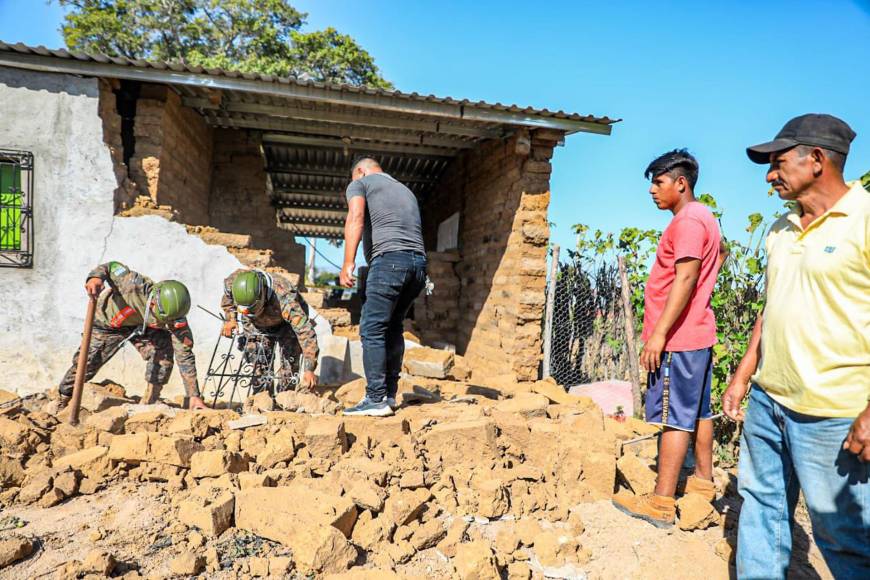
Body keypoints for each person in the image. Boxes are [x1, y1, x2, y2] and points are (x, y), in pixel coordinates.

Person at [723, 114, 869, 579]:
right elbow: (773, 306)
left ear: (818, 160)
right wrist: (745, 373)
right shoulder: (780, 229)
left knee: (843, 538)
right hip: (769, 403)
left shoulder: (864, 221)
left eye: (778, 162)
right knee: (761, 513)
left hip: (834, 413)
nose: (769, 175)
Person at [613, 149, 723, 528]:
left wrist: (659, 334)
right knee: (699, 411)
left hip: (678, 338)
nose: (652, 191)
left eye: (658, 183)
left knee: (674, 418)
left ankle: (661, 502)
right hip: (699, 332)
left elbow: (687, 277)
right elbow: (719, 255)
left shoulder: (688, 222)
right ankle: (703, 484)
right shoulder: (705, 215)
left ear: (681, 183)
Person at [339, 157, 427, 417]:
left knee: (371, 327)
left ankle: (375, 399)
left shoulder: (362, 183)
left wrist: (347, 263)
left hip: (390, 262)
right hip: (418, 267)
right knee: (393, 327)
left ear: (360, 171)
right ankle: (388, 395)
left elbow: (355, 218)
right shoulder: (405, 189)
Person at [56, 261, 207, 411]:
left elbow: (184, 355)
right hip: (109, 324)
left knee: (163, 352)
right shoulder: (132, 284)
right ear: (153, 304)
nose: (170, 323)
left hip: (142, 326)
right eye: (165, 320)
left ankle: (150, 402)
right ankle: (63, 398)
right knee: (88, 362)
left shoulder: (175, 317)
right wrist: (95, 277)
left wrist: (194, 395)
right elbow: (110, 267)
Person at [220, 268, 318, 394]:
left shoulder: (284, 296)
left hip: (286, 325)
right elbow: (228, 299)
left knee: (289, 364)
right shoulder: (232, 284)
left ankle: (284, 399)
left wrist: (309, 369)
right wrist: (230, 319)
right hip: (255, 324)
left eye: (253, 308)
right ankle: (262, 397)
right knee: (258, 359)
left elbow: (305, 331)